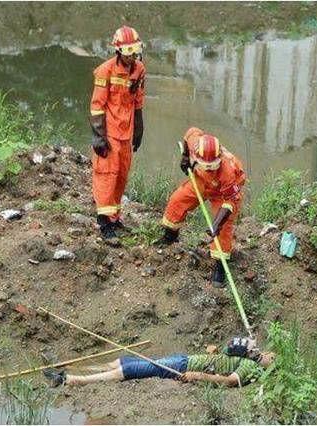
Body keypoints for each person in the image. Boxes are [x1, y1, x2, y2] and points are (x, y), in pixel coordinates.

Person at [158, 127, 246, 288]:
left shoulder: (228, 171)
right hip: (202, 181)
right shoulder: (196, 143)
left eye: (212, 166)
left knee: (223, 228)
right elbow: (190, 133)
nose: (209, 168)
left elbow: (230, 202)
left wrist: (216, 224)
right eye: (205, 165)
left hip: (223, 193)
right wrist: (185, 158)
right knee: (178, 200)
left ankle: (220, 267)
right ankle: (170, 235)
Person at [90, 25, 146, 239]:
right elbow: (97, 105)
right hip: (109, 132)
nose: (132, 57)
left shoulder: (139, 70)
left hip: (126, 132)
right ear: (119, 51)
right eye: (128, 53)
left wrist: (139, 128)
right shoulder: (105, 71)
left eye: (135, 52)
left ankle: (114, 217)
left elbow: (138, 99)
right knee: (107, 175)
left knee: (121, 175)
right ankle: (104, 223)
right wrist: (99, 136)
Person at [43, 338, 274, 388]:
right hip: (186, 359)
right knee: (121, 361)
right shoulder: (251, 353)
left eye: (272, 358)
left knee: (131, 369)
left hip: (185, 368)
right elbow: (227, 348)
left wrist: (197, 376)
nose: (269, 354)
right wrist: (249, 347)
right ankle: (68, 370)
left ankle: (72, 380)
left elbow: (229, 381)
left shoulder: (251, 368)